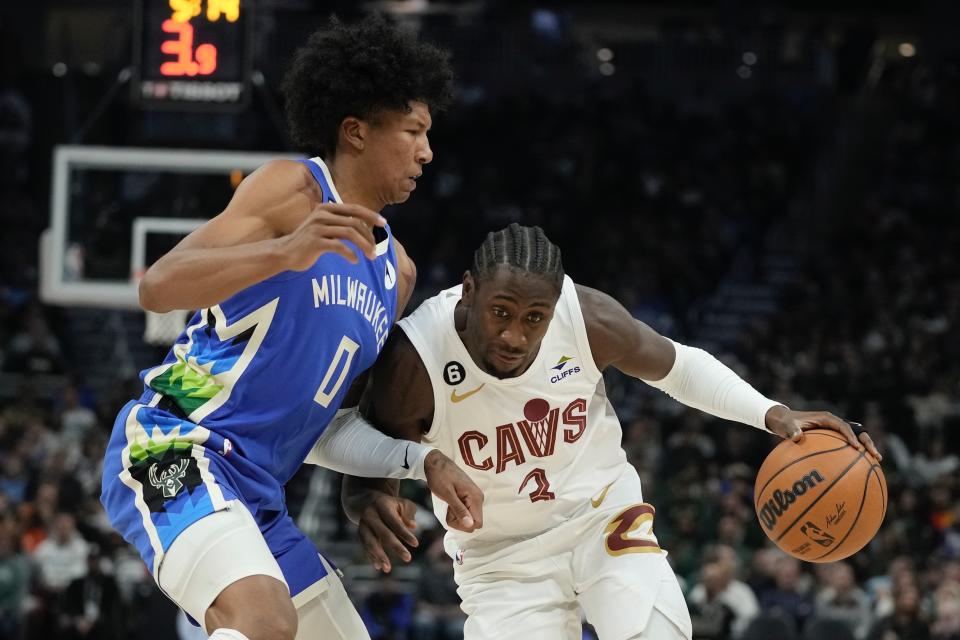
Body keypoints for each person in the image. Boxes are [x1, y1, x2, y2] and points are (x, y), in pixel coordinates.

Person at [100, 15, 482, 640]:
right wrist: (283, 253)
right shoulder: (293, 191)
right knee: (262, 623)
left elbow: (326, 426)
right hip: (174, 445)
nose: (427, 152)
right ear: (355, 132)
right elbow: (158, 285)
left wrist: (413, 462)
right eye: (414, 131)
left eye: (428, 134)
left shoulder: (397, 273)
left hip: (257, 496)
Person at [343, 223, 882, 640]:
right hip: (500, 557)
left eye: (534, 319)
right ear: (469, 292)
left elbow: (679, 367)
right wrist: (369, 499)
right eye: (500, 313)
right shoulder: (415, 358)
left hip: (602, 519)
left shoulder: (588, 319)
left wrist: (771, 412)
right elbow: (366, 453)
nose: (514, 334)